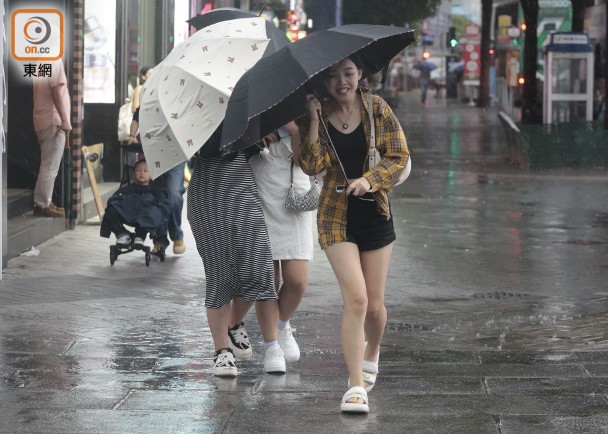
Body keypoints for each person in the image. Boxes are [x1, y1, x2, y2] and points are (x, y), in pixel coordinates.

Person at [300, 56, 409, 413]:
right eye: (332, 76)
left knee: (375, 308)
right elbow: (312, 166)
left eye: (347, 73)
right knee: (357, 299)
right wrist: (314, 121)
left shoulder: (377, 109)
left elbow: (398, 156)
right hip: (335, 217)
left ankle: (372, 352)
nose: (341, 81)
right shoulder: (320, 114)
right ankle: (355, 385)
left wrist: (369, 180)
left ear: (360, 74)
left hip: (375, 214)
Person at [188, 129, 286, 377]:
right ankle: (222, 352)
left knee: (258, 268)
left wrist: (256, 135)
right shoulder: (193, 118)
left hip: (242, 192)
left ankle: (237, 326)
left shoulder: (245, 107)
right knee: (219, 274)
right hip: (207, 194)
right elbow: (206, 149)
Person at [249, 122, 314, 362]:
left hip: (294, 189)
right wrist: (253, 133)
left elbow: (306, 161)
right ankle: (271, 346)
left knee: (297, 280)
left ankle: (282, 325)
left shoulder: (308, 100)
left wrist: (295, 129)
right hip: (259, 179)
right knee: (267, 279)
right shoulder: (253, 95)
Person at [127, 107, 187, 254]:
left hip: (175, 154)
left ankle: (176, 235)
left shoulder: (180, 99)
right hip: (154, 156)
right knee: (157, 197)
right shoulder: (152, 97)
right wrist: (131, 134)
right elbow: (137, 117)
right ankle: (159, 240)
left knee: (173, 194)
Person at [32, 59, 72, 218]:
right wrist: (65, 120)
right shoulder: (54, 61)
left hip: (43, 118)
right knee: (50, 166)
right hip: (53, 120)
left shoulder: (40, 62)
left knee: (48, 164)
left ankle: (45, 201)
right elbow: (56, 93)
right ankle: (42, 204)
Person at [100, 159, 170, 248]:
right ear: (133, 174)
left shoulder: (155, 191)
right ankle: (122, 234)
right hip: (128, 215)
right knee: (110, 209)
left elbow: (163, 208)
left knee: (158, 208)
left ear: (151, 175)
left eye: (145, 171)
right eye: (138, 170)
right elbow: (114, 200)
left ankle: (141, 236)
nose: (141, 173)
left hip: (146, 217)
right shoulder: (126, 189)